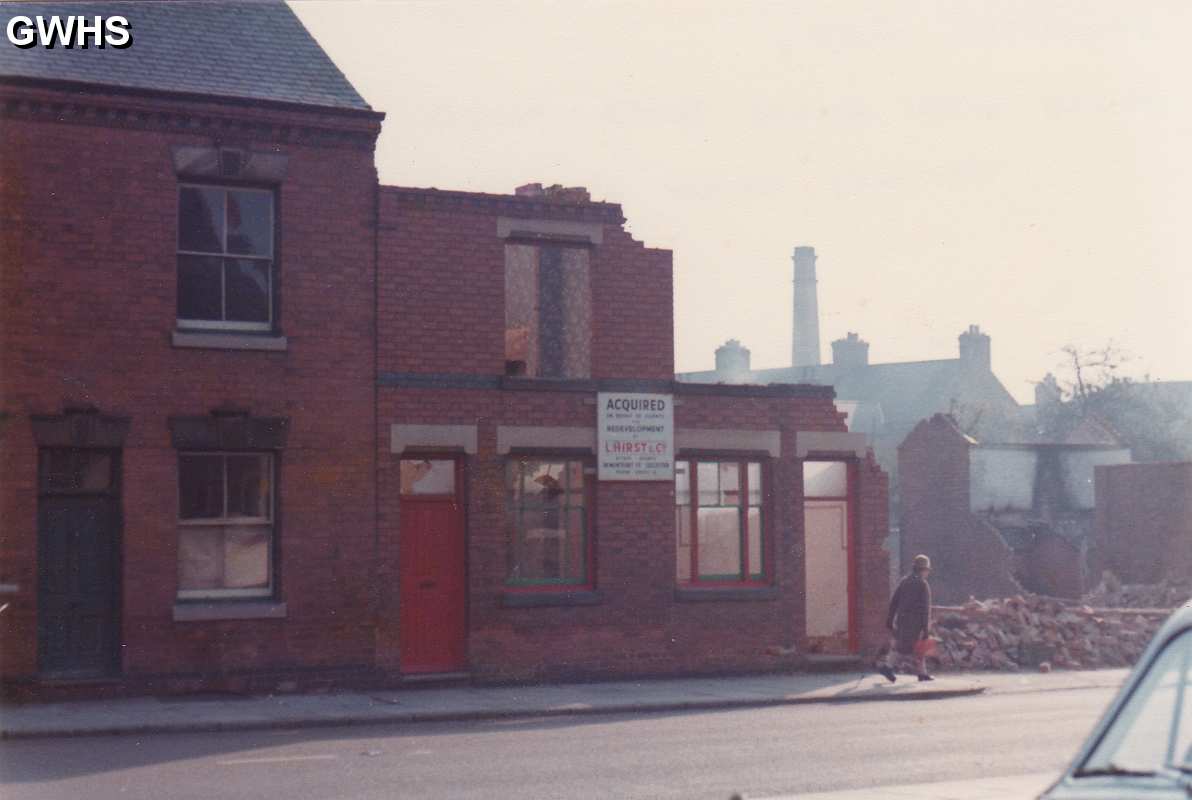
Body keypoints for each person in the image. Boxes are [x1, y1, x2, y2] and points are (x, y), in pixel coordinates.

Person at [878, 554, 934, 682]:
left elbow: (894, 601)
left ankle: (922, 673)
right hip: (915, 624)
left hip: (902, 621)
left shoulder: (904, 581)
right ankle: (887, 667)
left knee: (911, 647)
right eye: (927, 570)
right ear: (923, 570)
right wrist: (926, 628)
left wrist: (890, 619)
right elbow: (925, 609)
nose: (927, 573)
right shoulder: (922, 584)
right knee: (908, 648)